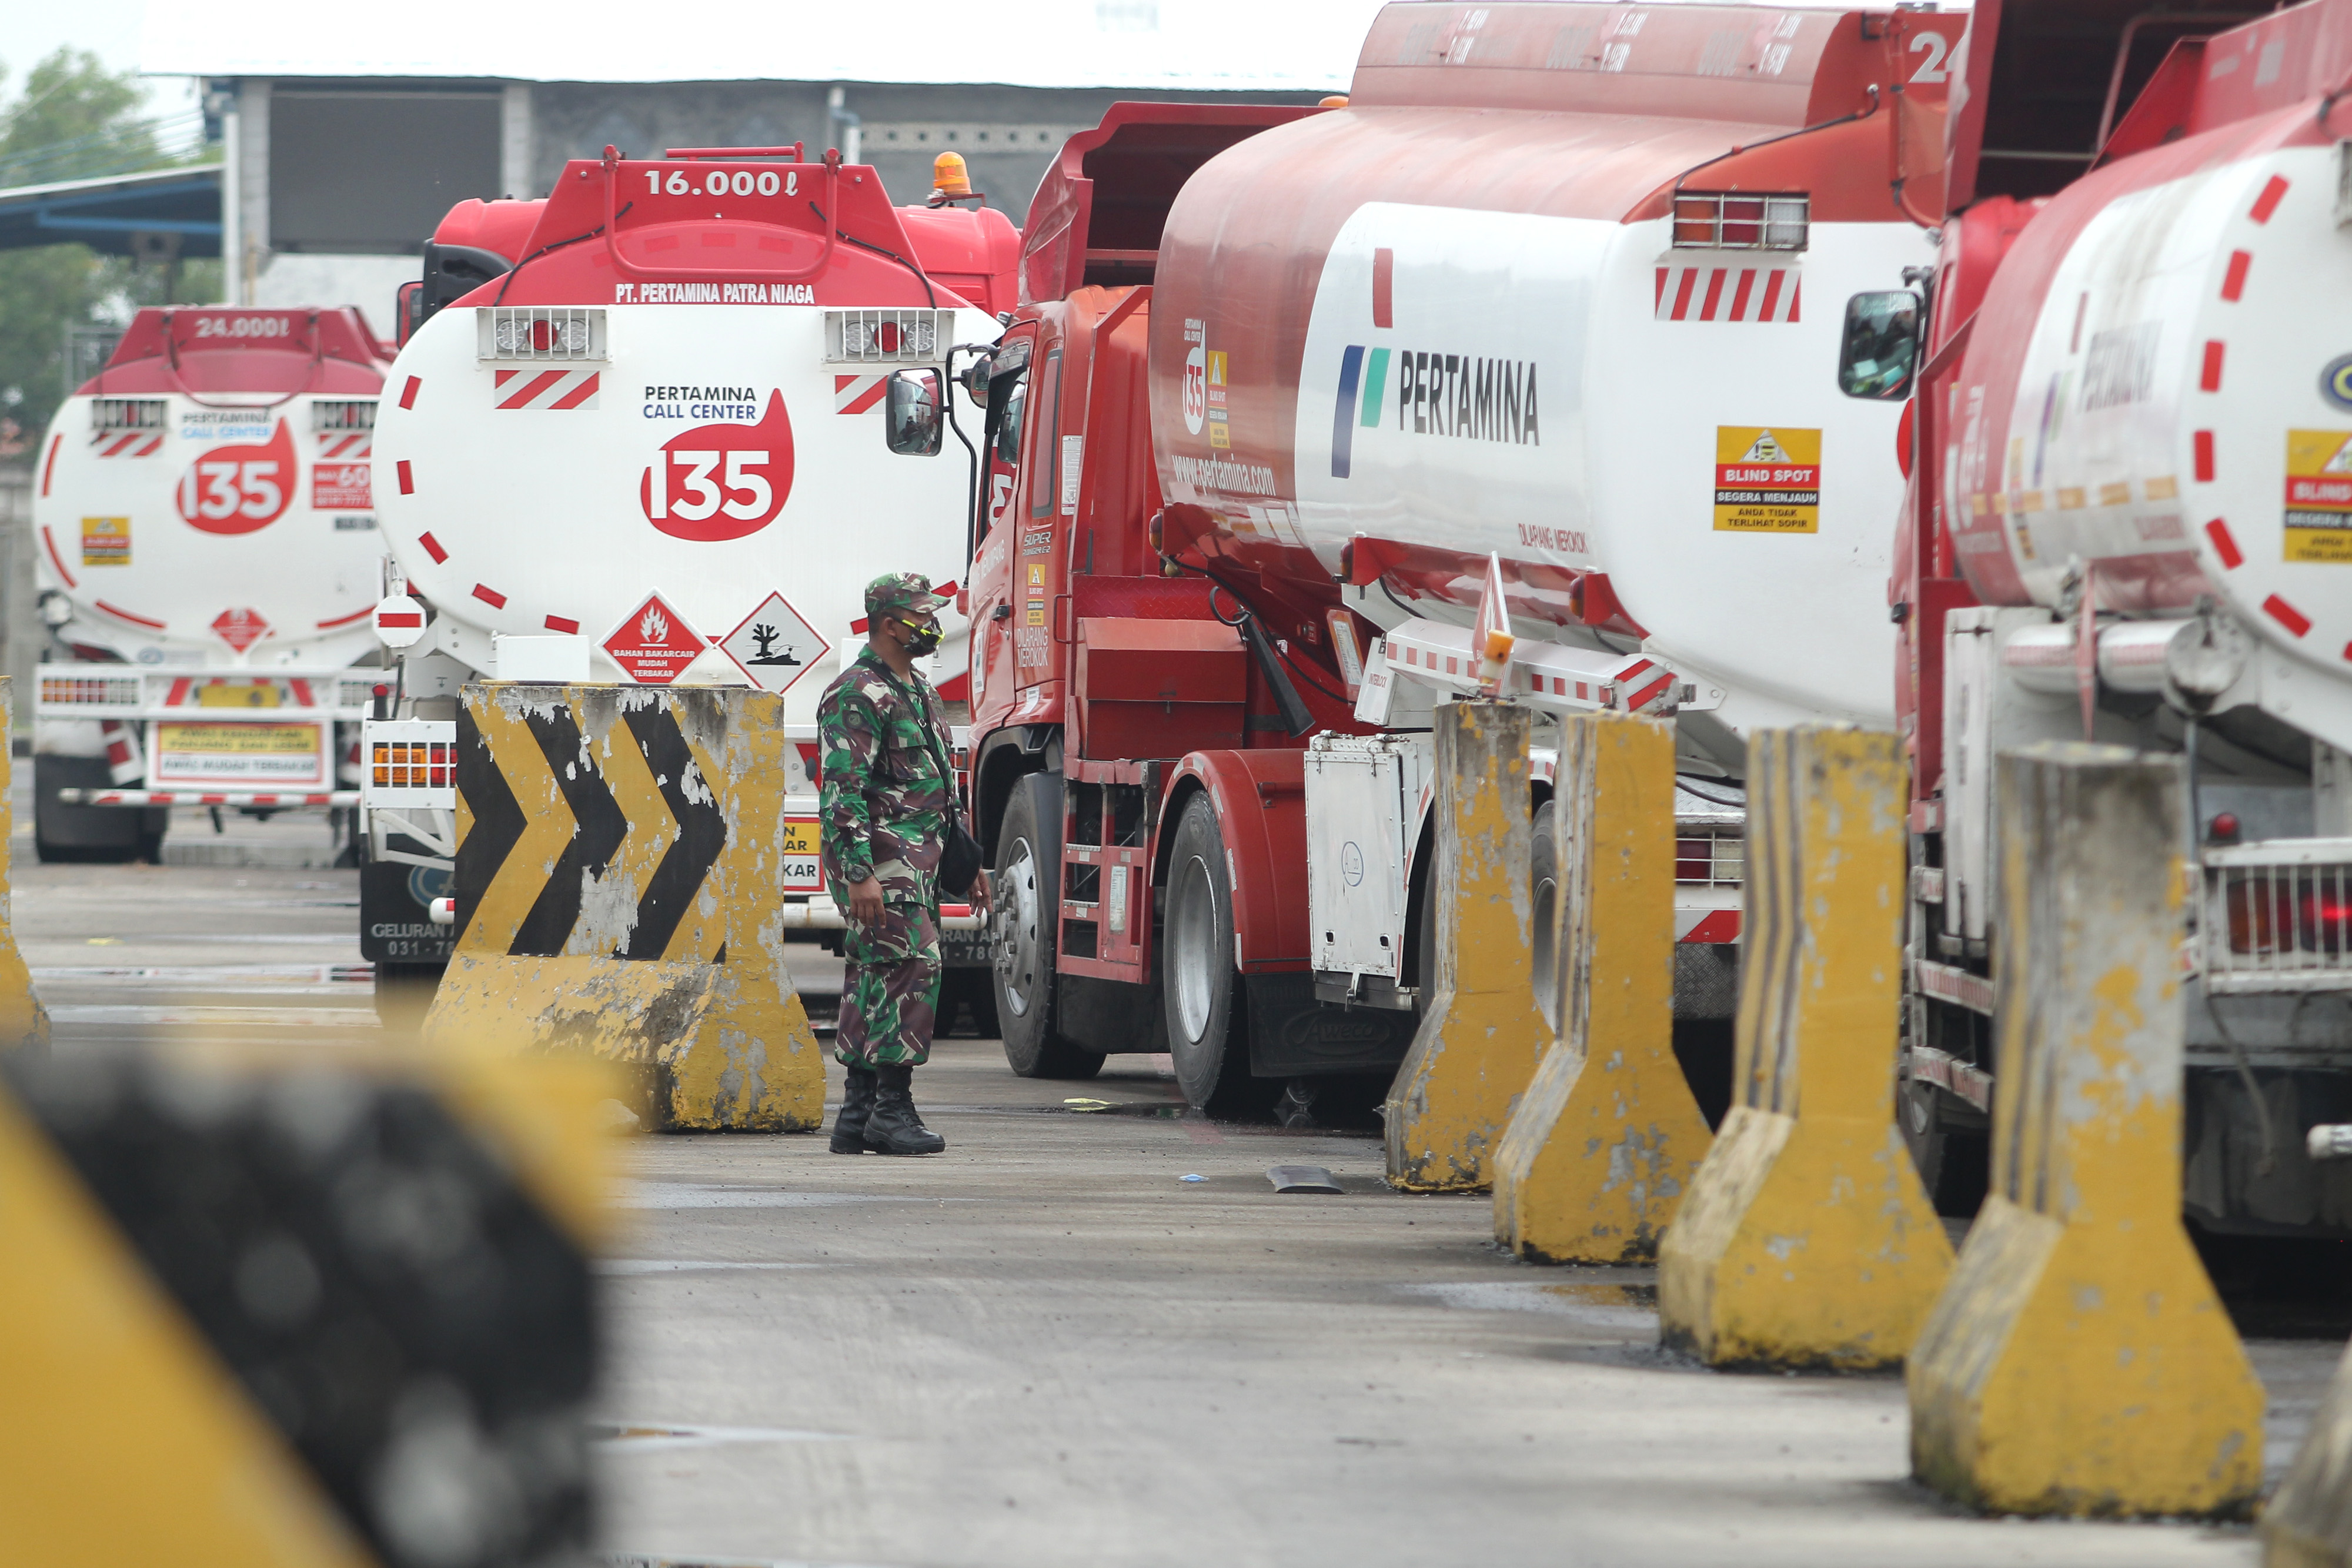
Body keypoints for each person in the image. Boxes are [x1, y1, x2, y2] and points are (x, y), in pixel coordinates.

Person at [816, 573, 987, 1155]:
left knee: (874, 975)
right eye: (921, 614)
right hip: (881, 862)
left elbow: (935, 786)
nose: (934, 624)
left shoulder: (916, 688)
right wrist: (859, 872)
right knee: (915, 967)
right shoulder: (857, 693)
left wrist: (964, 862)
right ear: (889, 623)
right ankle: (892, 1108)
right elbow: (842, 792)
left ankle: (858, 1114)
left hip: (919, 860)